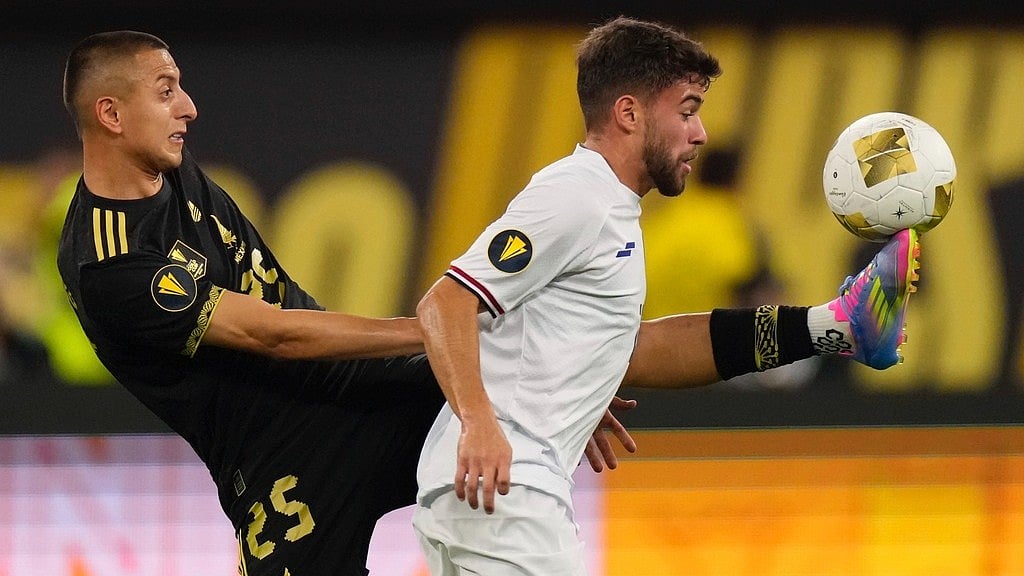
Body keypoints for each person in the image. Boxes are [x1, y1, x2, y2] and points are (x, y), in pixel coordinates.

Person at [56, 30, 635, 576]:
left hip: (357, 385)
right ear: (111, 115)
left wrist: (538, 392)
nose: (189, 107)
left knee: (509, 412)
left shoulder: (168, 167)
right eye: (166, 92)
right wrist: (440, 327)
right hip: (278, 465)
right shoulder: (109, 264)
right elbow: (274, 334)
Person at [412, 16, 921, 575]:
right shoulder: (577, 197)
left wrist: (587, 381)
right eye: (686, 111)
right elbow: (446, 303)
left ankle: (839, 324)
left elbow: (640, 350)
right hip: (509, 488)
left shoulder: (612, 209)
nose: (700, 133)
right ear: (629, 113)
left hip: (497, 490)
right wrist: (480, 422)